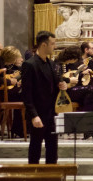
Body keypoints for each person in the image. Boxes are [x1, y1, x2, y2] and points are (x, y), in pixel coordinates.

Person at [22, 31, 67, 164]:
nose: (55, 46)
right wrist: (34, 115)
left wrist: (62, 85)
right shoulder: (29, 65)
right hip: (38, 114)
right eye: (52, 43)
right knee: (35, 150)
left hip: (52, 113)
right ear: (43, 45)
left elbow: (55, 84)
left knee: (52, 150)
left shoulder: (51, 64)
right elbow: (27, 94)